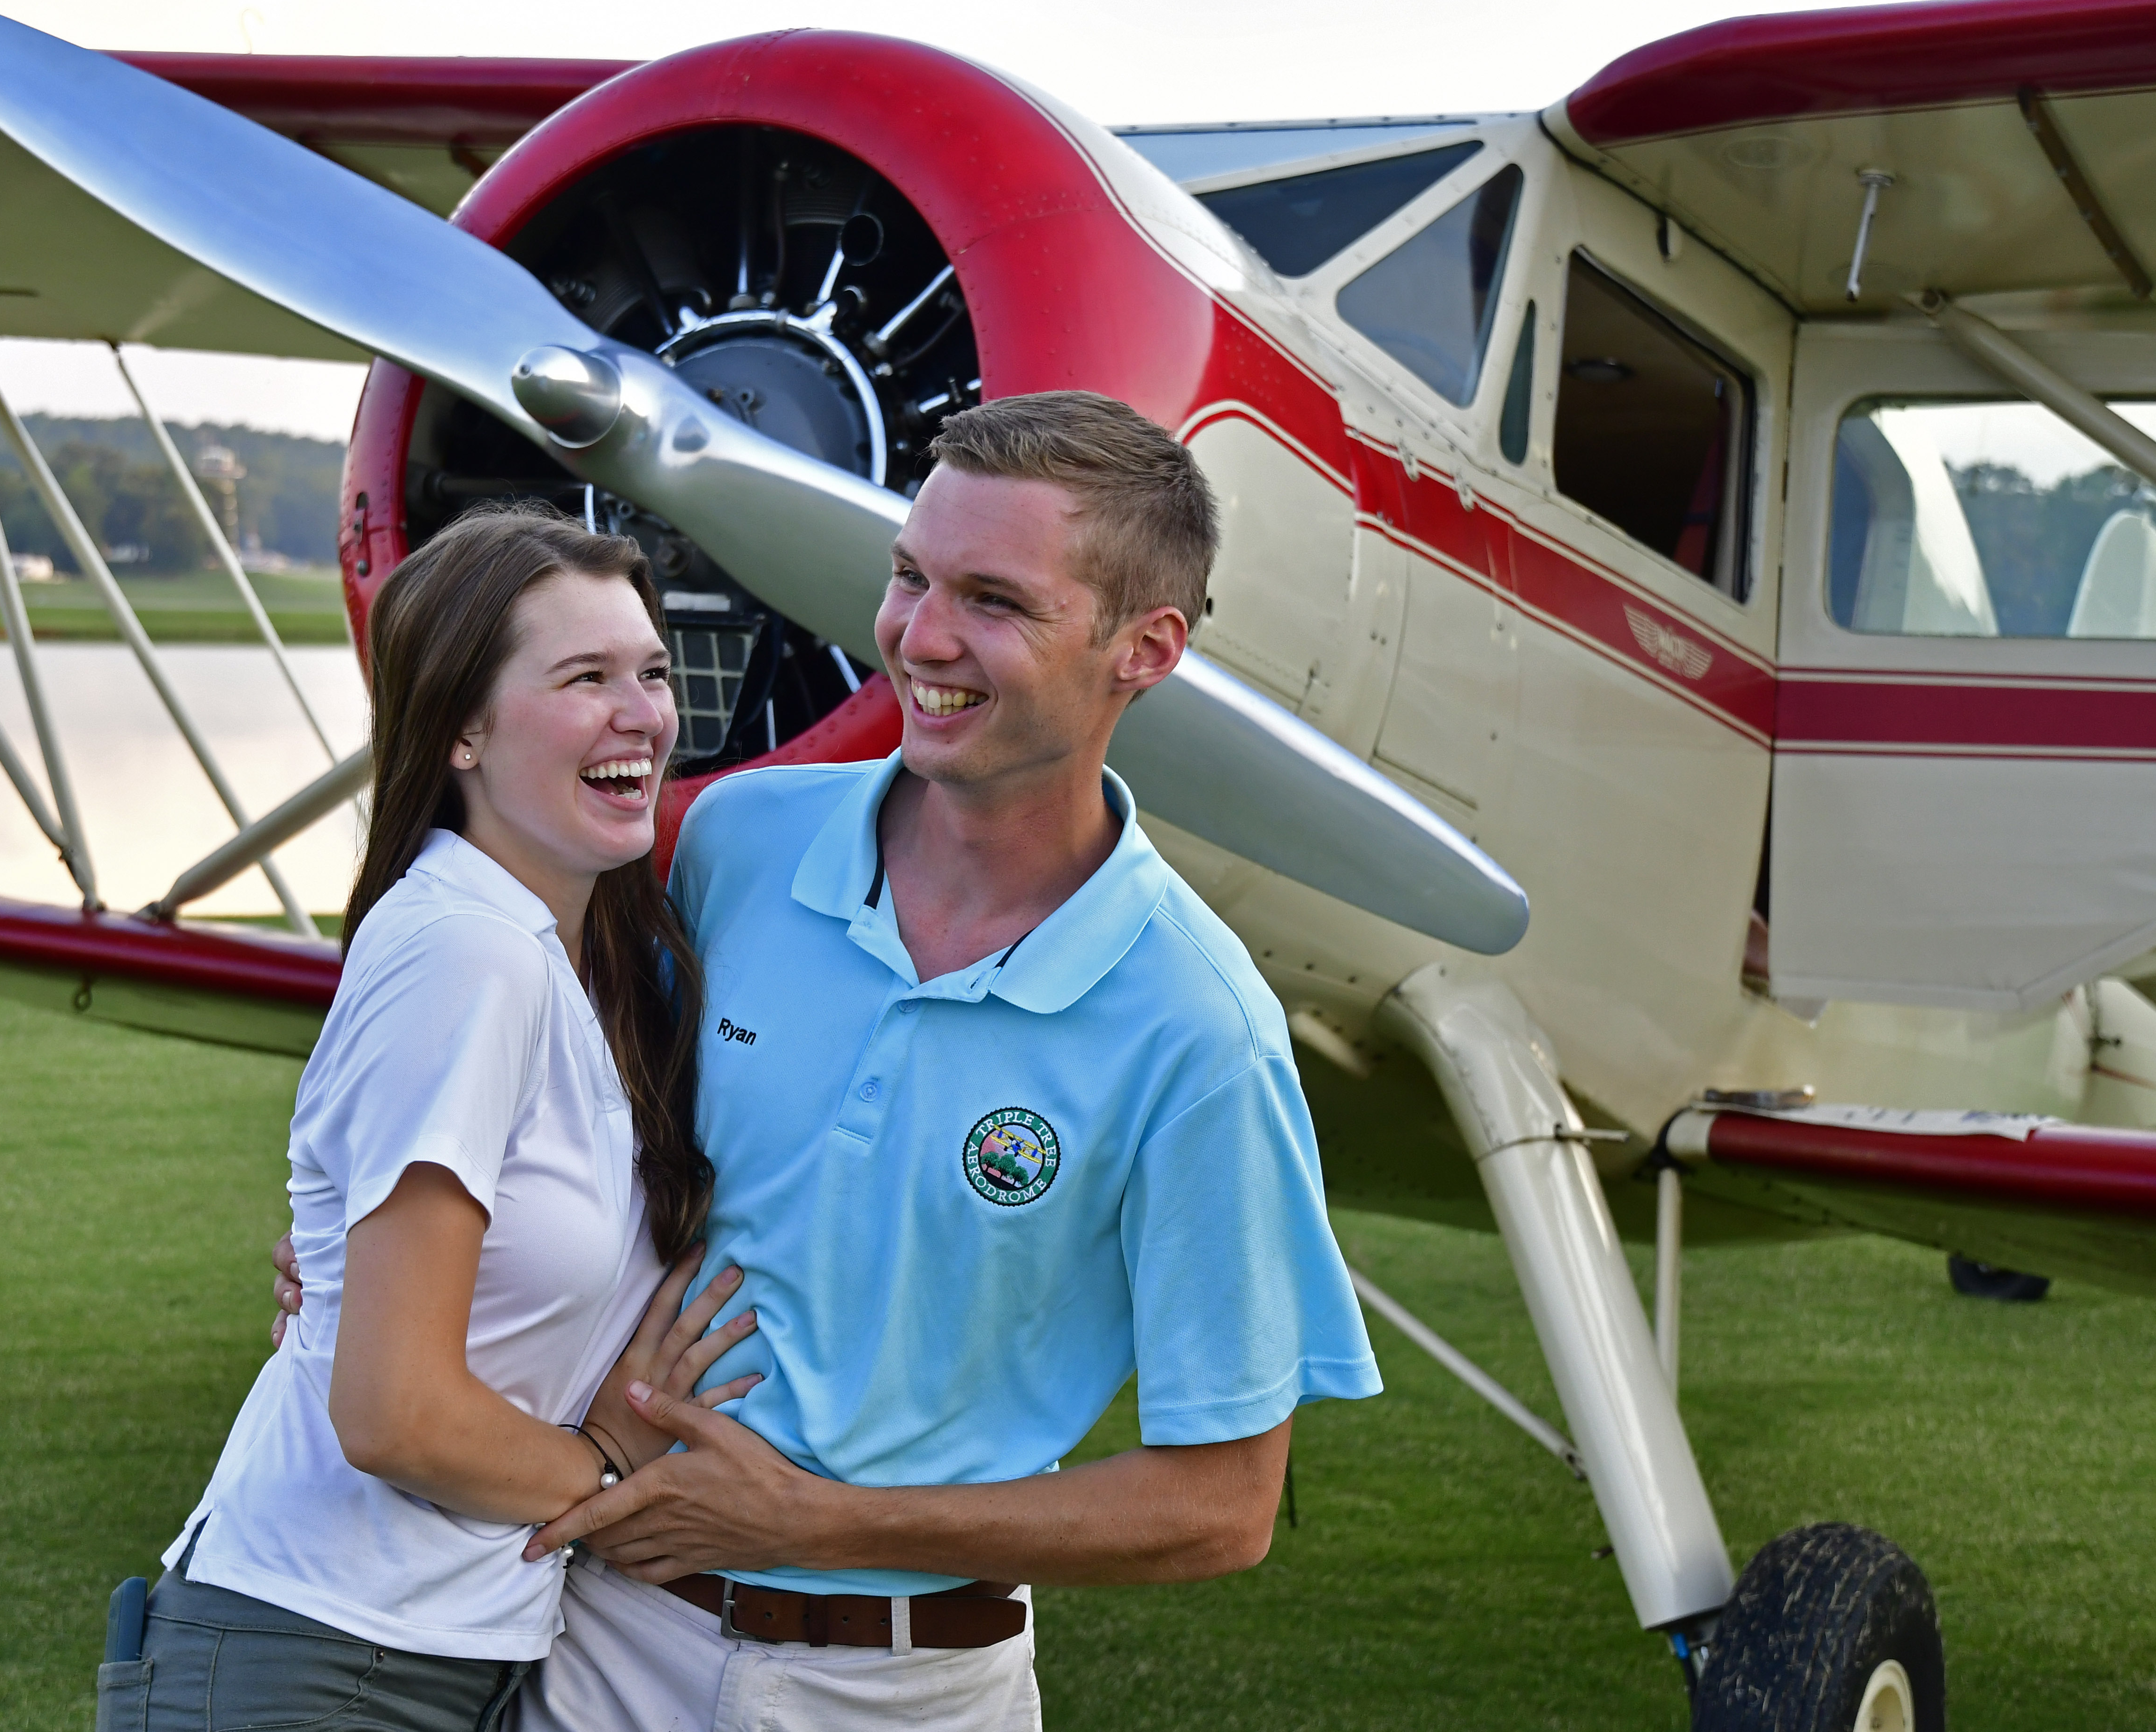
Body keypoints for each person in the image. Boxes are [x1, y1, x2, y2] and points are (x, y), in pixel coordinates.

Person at [278, 393, 1381, 1732]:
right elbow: (532, 1105)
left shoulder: (1201, 1029)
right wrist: (374, 1249)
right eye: (909, 575)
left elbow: (1222, 1506)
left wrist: (823, 1521)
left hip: (918, 1693)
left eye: (994, 600)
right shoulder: (734, 843)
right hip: (591, 1645)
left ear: (1142, 649)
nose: (920, 636)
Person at [105, 509, 757, 1732]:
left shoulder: (572, 954)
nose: (645, 714)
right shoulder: (468, 953)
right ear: (461, 725)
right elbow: (393, 1412)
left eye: (652, 671)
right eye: (586, 679)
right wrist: (608, 1466)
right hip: (316, 1657)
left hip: (441, 1654)